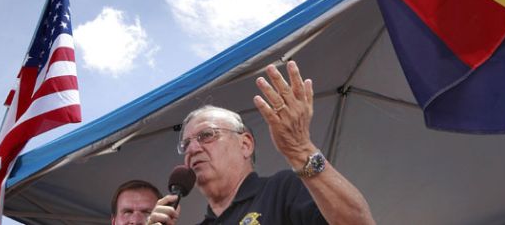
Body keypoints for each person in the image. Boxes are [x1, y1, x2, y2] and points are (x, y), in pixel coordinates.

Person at [146, 60, 375, 225]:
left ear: (245, 144)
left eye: (207, 135)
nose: (193, 149)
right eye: (186, 144)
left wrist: (300, 149)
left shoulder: (283, 189)